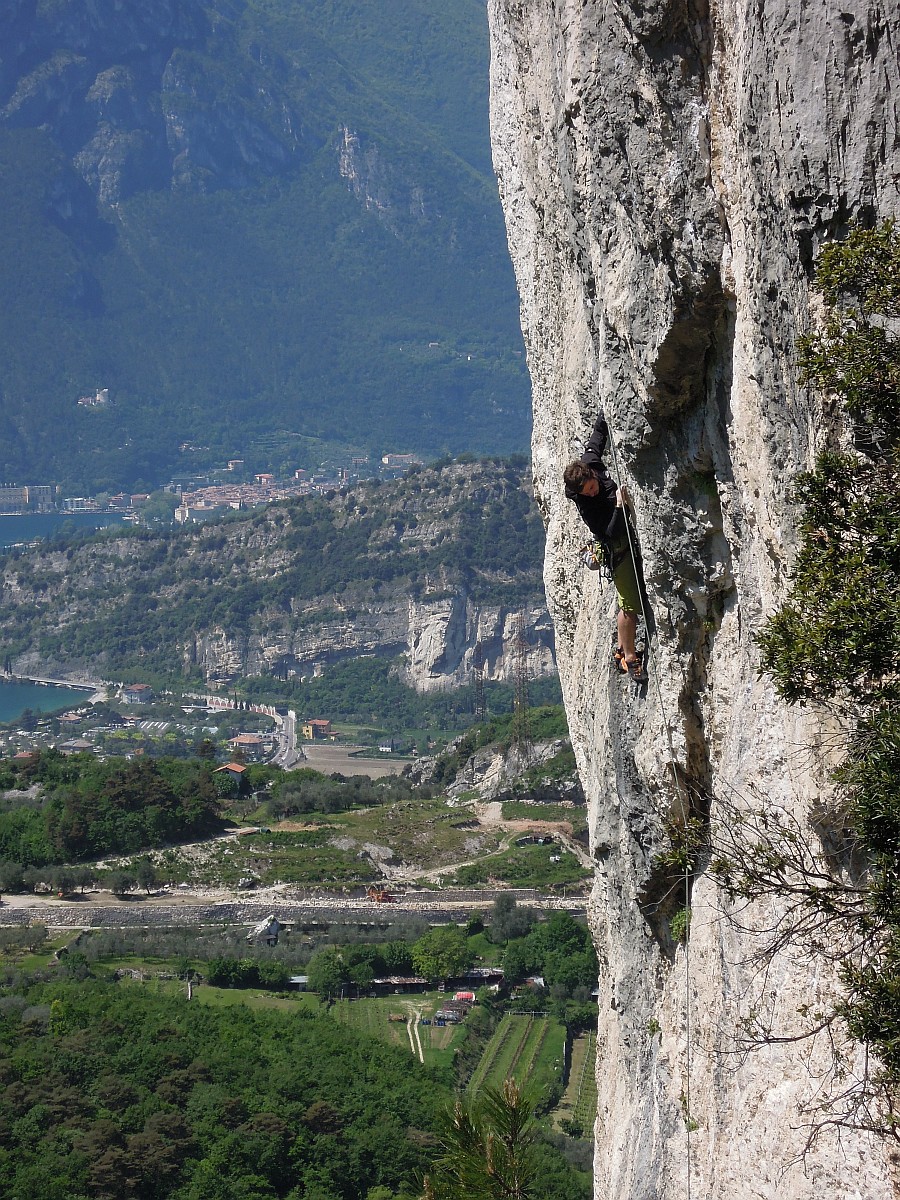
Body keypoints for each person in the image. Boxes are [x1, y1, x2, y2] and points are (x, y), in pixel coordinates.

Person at [563, 411, 647, 683]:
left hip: (621, 531)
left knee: (630, 603)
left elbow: (598, 436)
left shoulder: (591, 462)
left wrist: (607, 410)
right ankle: (631, 657)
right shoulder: (586, 506)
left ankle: (623, 647)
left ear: (590, 474)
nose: (590, 492)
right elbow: (608, 532)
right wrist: (620, 507)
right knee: (630, 605)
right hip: (616, 545)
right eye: (585, 492)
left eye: (590, 487)